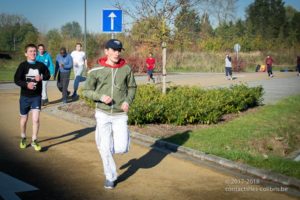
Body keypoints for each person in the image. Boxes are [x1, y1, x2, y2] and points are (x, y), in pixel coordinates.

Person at [82, 39, 137, 189]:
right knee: (104, 148)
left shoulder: (126, 69)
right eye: (113, 50)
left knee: (121, 148)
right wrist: (100, 97)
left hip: (120, 114)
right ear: (106, 51)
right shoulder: (96, 70)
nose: (117, 53)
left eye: (119, 50)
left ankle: (109, 145)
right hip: (103, 113)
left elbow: (132, 87)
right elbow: (86, 91)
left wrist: (127, 101)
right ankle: (110, 177)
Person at [14, 43, 50, 151]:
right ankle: (23, 137)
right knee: (24, 119)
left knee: (36, 119)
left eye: (34, 51)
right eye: (30, 51)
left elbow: (48, 75)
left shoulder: (40, 65)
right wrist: (26, 85)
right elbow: (16, 79)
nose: (33, 53)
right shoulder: (22, 66)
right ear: (26, 54)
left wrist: (42, 77)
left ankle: (34, 140)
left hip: (36, 97)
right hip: (25, 96)